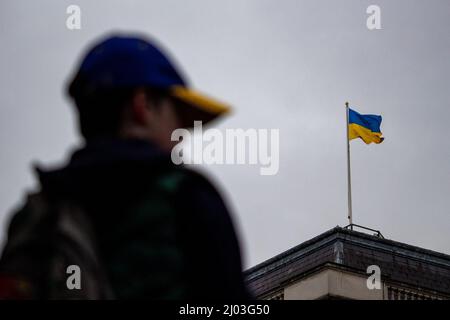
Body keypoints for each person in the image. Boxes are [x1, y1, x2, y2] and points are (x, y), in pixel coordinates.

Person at [0, 34, 250, 299]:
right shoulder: (187, 196)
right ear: (142, 106)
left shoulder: (37, 213)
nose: (182, 137)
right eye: (178, 119)